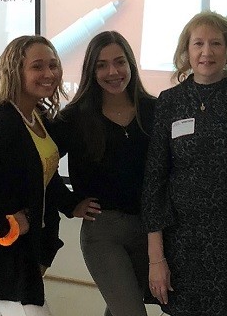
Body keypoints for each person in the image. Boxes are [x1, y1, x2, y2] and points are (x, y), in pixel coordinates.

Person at [142, 11, 227, 316]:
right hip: (184, 243)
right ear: (186, 50)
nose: (206, 52)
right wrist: (156, 258)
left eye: (216, 43)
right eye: (198, 43)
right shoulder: (169, 102)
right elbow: (154, 181)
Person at [49, 31, 157, 316]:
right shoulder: (74, 117)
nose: (113, 72)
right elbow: (40, 164)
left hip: (150, 231)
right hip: (103, 232)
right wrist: (69, 203)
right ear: (91, 71)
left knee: (121, 307)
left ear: (131, 64)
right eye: (101, 65)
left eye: (120, 62)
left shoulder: (154, 109)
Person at [0, 35, 74, 316]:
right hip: (2, 260)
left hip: (28, 254)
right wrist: (6, 226)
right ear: (16, 71)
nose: (49, 74)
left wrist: (73, 204)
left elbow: (43, 177)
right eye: (38, 66)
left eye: (53, 65)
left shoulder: (38, 118)